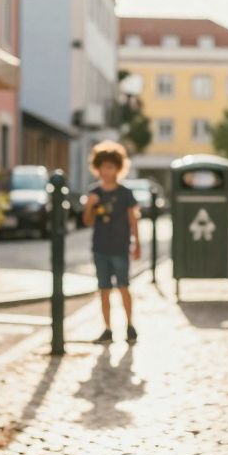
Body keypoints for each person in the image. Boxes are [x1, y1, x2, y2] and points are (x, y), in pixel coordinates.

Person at [81, 141, 142, 344]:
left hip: (120, 247)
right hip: (100, 247)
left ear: (118, 168)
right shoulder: (94, 193)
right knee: (104, 289)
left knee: (124, 286)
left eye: (110, 167)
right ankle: (107, 329)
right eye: (103, 167)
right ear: (97, 169)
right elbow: (87, 221)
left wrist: (137, 243)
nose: (106, 171)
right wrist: (89, 207)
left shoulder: (125, 193)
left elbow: (133, 219)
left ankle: (130, 325)